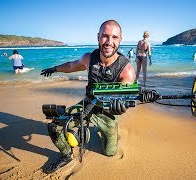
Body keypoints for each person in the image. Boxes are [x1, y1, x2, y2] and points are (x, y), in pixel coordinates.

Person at [40, 20, 136, 174]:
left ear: (120, 40)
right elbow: (71, 66)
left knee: (109, 152)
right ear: (98, 37)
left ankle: (110, 133)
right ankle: (66, 155)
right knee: (55, 126)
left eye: (114, 37)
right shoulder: (89, 58)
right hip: (87, 105)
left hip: (108, 112)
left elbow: (124, 99)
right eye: (105, 36)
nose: (109, 42)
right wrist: (55, 68)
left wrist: (120, 108)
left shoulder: (126, 70)